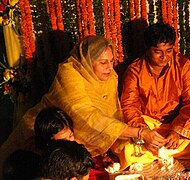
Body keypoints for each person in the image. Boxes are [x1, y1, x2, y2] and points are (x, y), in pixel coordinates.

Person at [0, 35, 161, 175]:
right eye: (103, 62)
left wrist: (105, 149)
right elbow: (85, 114)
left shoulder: (111, 77)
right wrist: (140, 133)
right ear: (86, 61)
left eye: (112, 61)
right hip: (42, 135)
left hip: (76, 144)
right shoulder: (69, 73)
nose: (110, 67)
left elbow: (111, 115)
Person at [119, 23, 190, 168]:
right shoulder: (134, 71)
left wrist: (176, 130)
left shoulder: (183, 65)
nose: (164, 57)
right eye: (158, 51)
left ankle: (156, 153)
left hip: (178, 123)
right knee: (125, 144)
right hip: (149, 125)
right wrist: (145, 133)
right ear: (147, 49)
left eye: (169, 50)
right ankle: (175, 151)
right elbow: (129, 106)